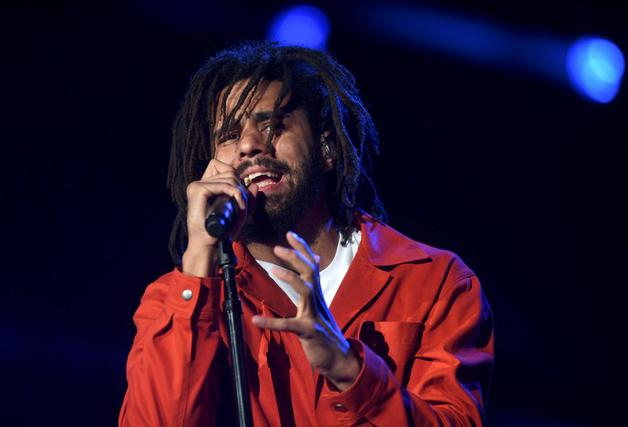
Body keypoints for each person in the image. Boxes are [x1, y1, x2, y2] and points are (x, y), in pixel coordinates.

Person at [119, 41, 494, 427]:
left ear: (326, 148)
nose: (248, 145)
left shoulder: (433, 282)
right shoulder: (175, 300)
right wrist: (200, 258)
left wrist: (346, 367)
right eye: (229, 135)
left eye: (272, 126)